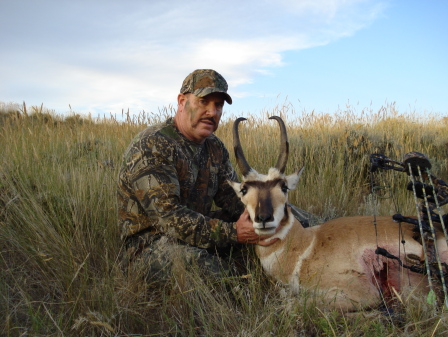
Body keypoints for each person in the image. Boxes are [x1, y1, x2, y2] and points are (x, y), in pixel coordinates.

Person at [117, 69, 310, 282]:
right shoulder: (152, 145)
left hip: (199, 231)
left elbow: (233, 198)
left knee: (276, 219)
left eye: (218, 105)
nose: (212, 112)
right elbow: (168, 219)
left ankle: (325, 238)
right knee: (220, 277)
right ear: (182, 102)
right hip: (150, 244)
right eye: (203, 102)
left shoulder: (214, 146)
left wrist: (268, 219)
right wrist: (234, 233)